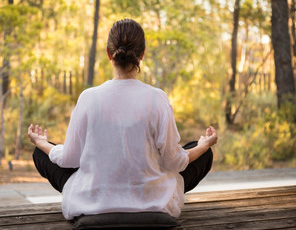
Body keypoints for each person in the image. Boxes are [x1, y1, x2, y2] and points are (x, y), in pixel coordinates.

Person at [28, 18, 218, 220]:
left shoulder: (88, 97)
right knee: (201, 155)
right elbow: (174, 162)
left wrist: (42, 143)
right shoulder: (157, 98)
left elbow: (69, 159)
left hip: (94, 202)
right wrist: (203, 146)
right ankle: (151, 201)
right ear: (142, 54)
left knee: (41, 154)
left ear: (109, 53)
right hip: (152, 201)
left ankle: (94, 200)